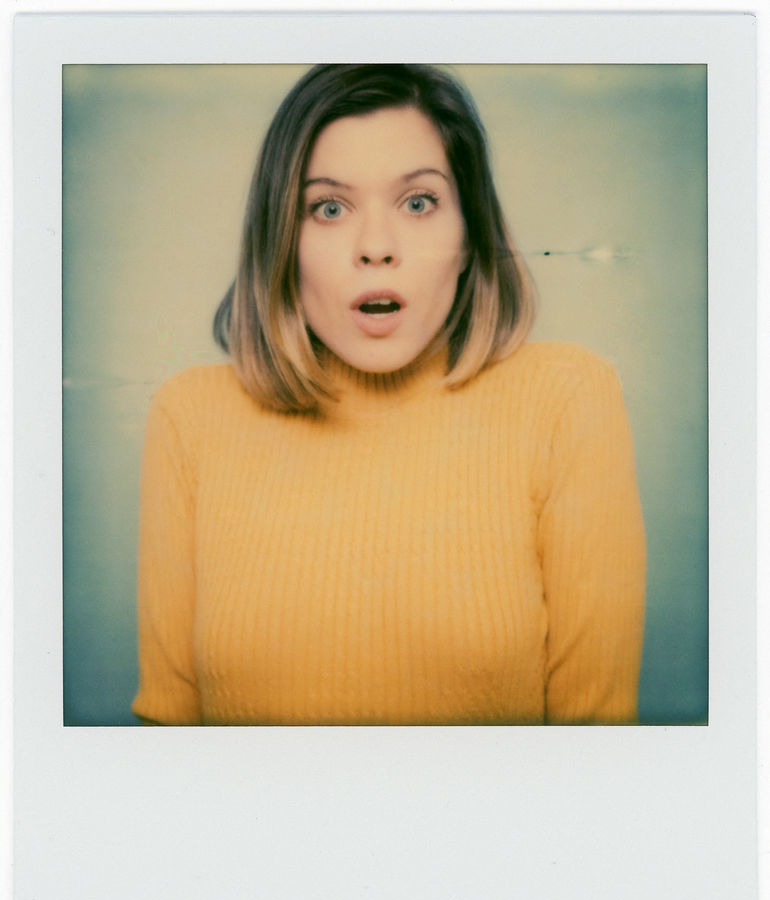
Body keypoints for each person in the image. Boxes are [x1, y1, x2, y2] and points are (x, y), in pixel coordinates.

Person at [131, 64, 646, 726]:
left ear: (470, 235)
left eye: (419, 202)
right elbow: (166, 744)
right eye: (329, 208)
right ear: (281, 241)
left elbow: (597, 749)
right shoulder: (191, 416)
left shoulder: (568, 399)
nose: (375, 248)